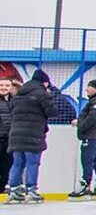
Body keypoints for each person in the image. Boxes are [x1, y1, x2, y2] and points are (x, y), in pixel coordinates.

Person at [6, 70, 57, 204]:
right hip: (33, 134)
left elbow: (12, 110)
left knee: (17, 163)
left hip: (16, 134)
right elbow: (52, 112)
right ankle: (31, 190)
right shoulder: (43, 94)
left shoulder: (18, 95)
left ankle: (13, 190)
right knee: (32, 162)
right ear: (44, 82)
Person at [70, 79, 96, 201]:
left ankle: (86, 184)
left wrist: (80, 125)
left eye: (89, 87)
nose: (86, 89)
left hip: (91, 135)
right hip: (95, 135)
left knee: (87, 159)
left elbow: (92, 117)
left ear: (95, 88)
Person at [0, 77, 16, 198]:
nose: (4, 88)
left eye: (7, 86)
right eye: (1, 85)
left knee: (7, 164)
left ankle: (2, 187)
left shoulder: (15, 101)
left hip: (10, 139)